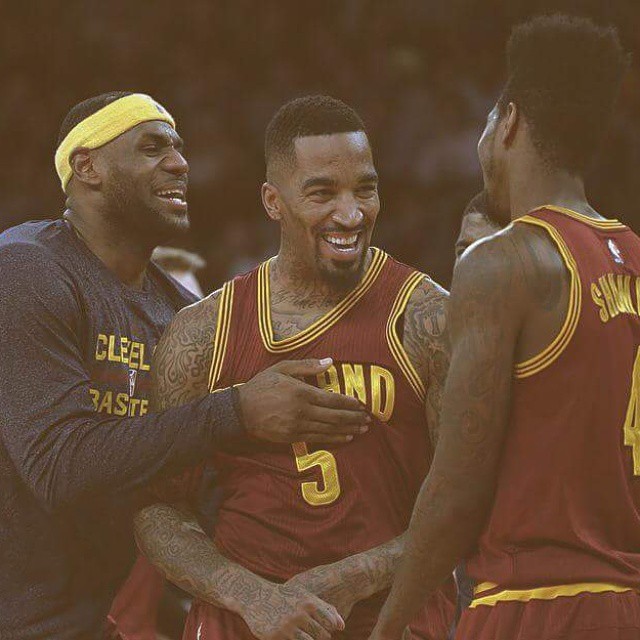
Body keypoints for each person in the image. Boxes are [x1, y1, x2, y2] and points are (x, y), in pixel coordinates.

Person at [0, 91, 368, 640]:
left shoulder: (180, 312)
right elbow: (60, 466)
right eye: (153, 149)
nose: (179, 164)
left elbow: (203, 487)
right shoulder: (27, 268)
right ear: (87, 167)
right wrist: (237, 411)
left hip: (123, 619)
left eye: (179, 149)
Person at [134, 95, 455, 640]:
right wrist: (252, 595)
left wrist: (356, 576)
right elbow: (157, 508)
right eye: (322, 193)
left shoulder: (428, 317)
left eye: (365, 189)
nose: (351, 214)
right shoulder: (202, 333)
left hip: (390, 619)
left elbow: (467, 499)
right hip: (245, 620)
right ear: (273, 201)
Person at [369, 14, 640, 640]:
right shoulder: (632, 254)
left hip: (533, 601)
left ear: (509, 121)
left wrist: (388, 626)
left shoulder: (504, 262)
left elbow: (456, 492)